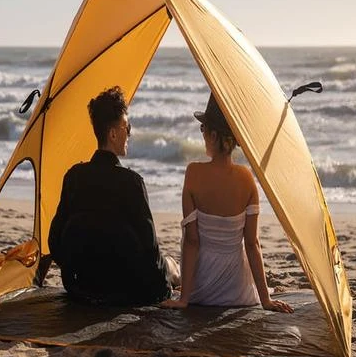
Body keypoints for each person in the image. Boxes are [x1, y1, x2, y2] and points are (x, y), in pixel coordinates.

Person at [161, 93, 293, 314]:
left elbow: (192, 242)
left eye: (203, 130)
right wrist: (266, 300)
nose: (202, 135)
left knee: (180, 248)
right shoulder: (247, 178)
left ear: (213, 135)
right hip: (238, 290)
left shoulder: (193, 173)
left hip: (201, 289)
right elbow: (252, 244)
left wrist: (184, 299)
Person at [48, 86, 179, 305]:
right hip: (126, 288)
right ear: (113, 133)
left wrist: (79, 270)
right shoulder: (132, 183)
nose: (130, 134)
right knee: (171, 265)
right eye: (127, 127)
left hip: (81, 286)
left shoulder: (74, 177)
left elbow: (55, 241)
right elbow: (150, 251)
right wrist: (165, 291)